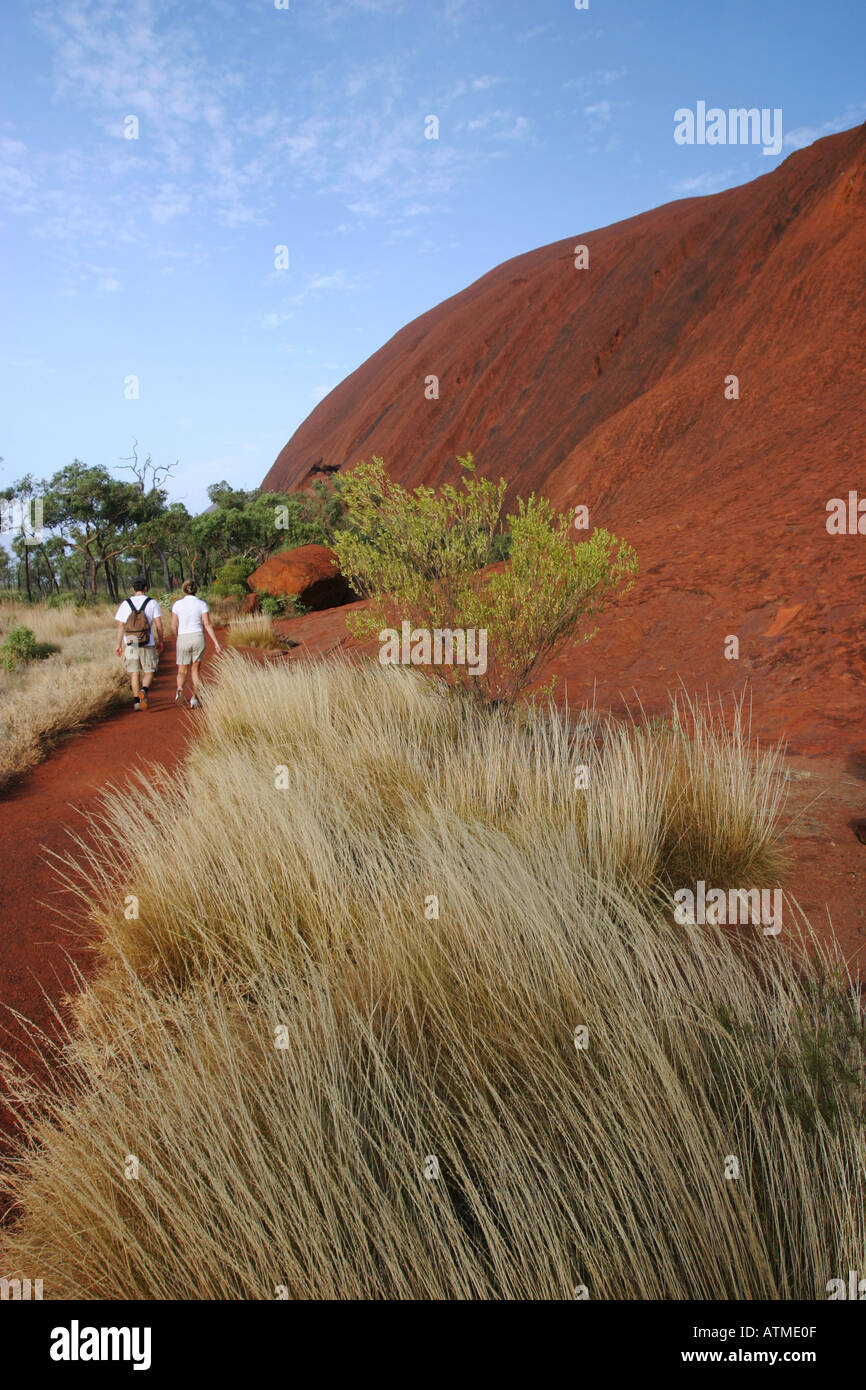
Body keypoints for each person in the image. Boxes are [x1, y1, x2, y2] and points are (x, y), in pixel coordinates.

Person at [114, 578, 163, 711]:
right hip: (147, 641)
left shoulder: (125, 603)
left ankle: (137, 702)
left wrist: (118, 644)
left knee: (134, 673)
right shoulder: (152, 602)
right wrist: (160, 640)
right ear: (146, 588)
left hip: (130, 641)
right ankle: (144, 690)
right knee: (150, 671)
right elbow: (158, 624)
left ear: (132, 589)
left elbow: (120, 625)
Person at [171, 579, 221, 708]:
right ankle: (194, 698)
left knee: (182, 670)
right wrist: (216, 642)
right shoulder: (202, 604)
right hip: (197, 637)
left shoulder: (177, 604)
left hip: (183, 637)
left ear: (183, 590)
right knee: (195, 670)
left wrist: (178, 636)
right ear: (196, 590)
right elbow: (207, 624)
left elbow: (173, 625)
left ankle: (180, 689)